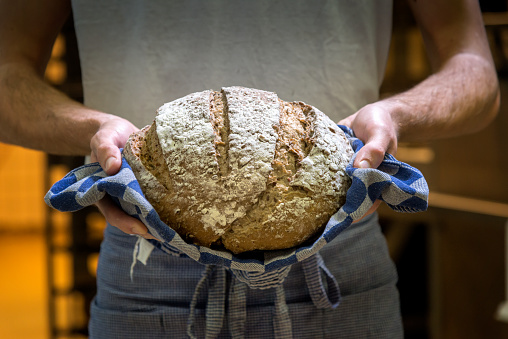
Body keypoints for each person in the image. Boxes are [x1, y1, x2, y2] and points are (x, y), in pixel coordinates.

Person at [0, 0, 499, 338]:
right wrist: (96, 128)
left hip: (339, 265)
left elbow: (475, 72)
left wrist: (396, 115)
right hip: (147, 268)